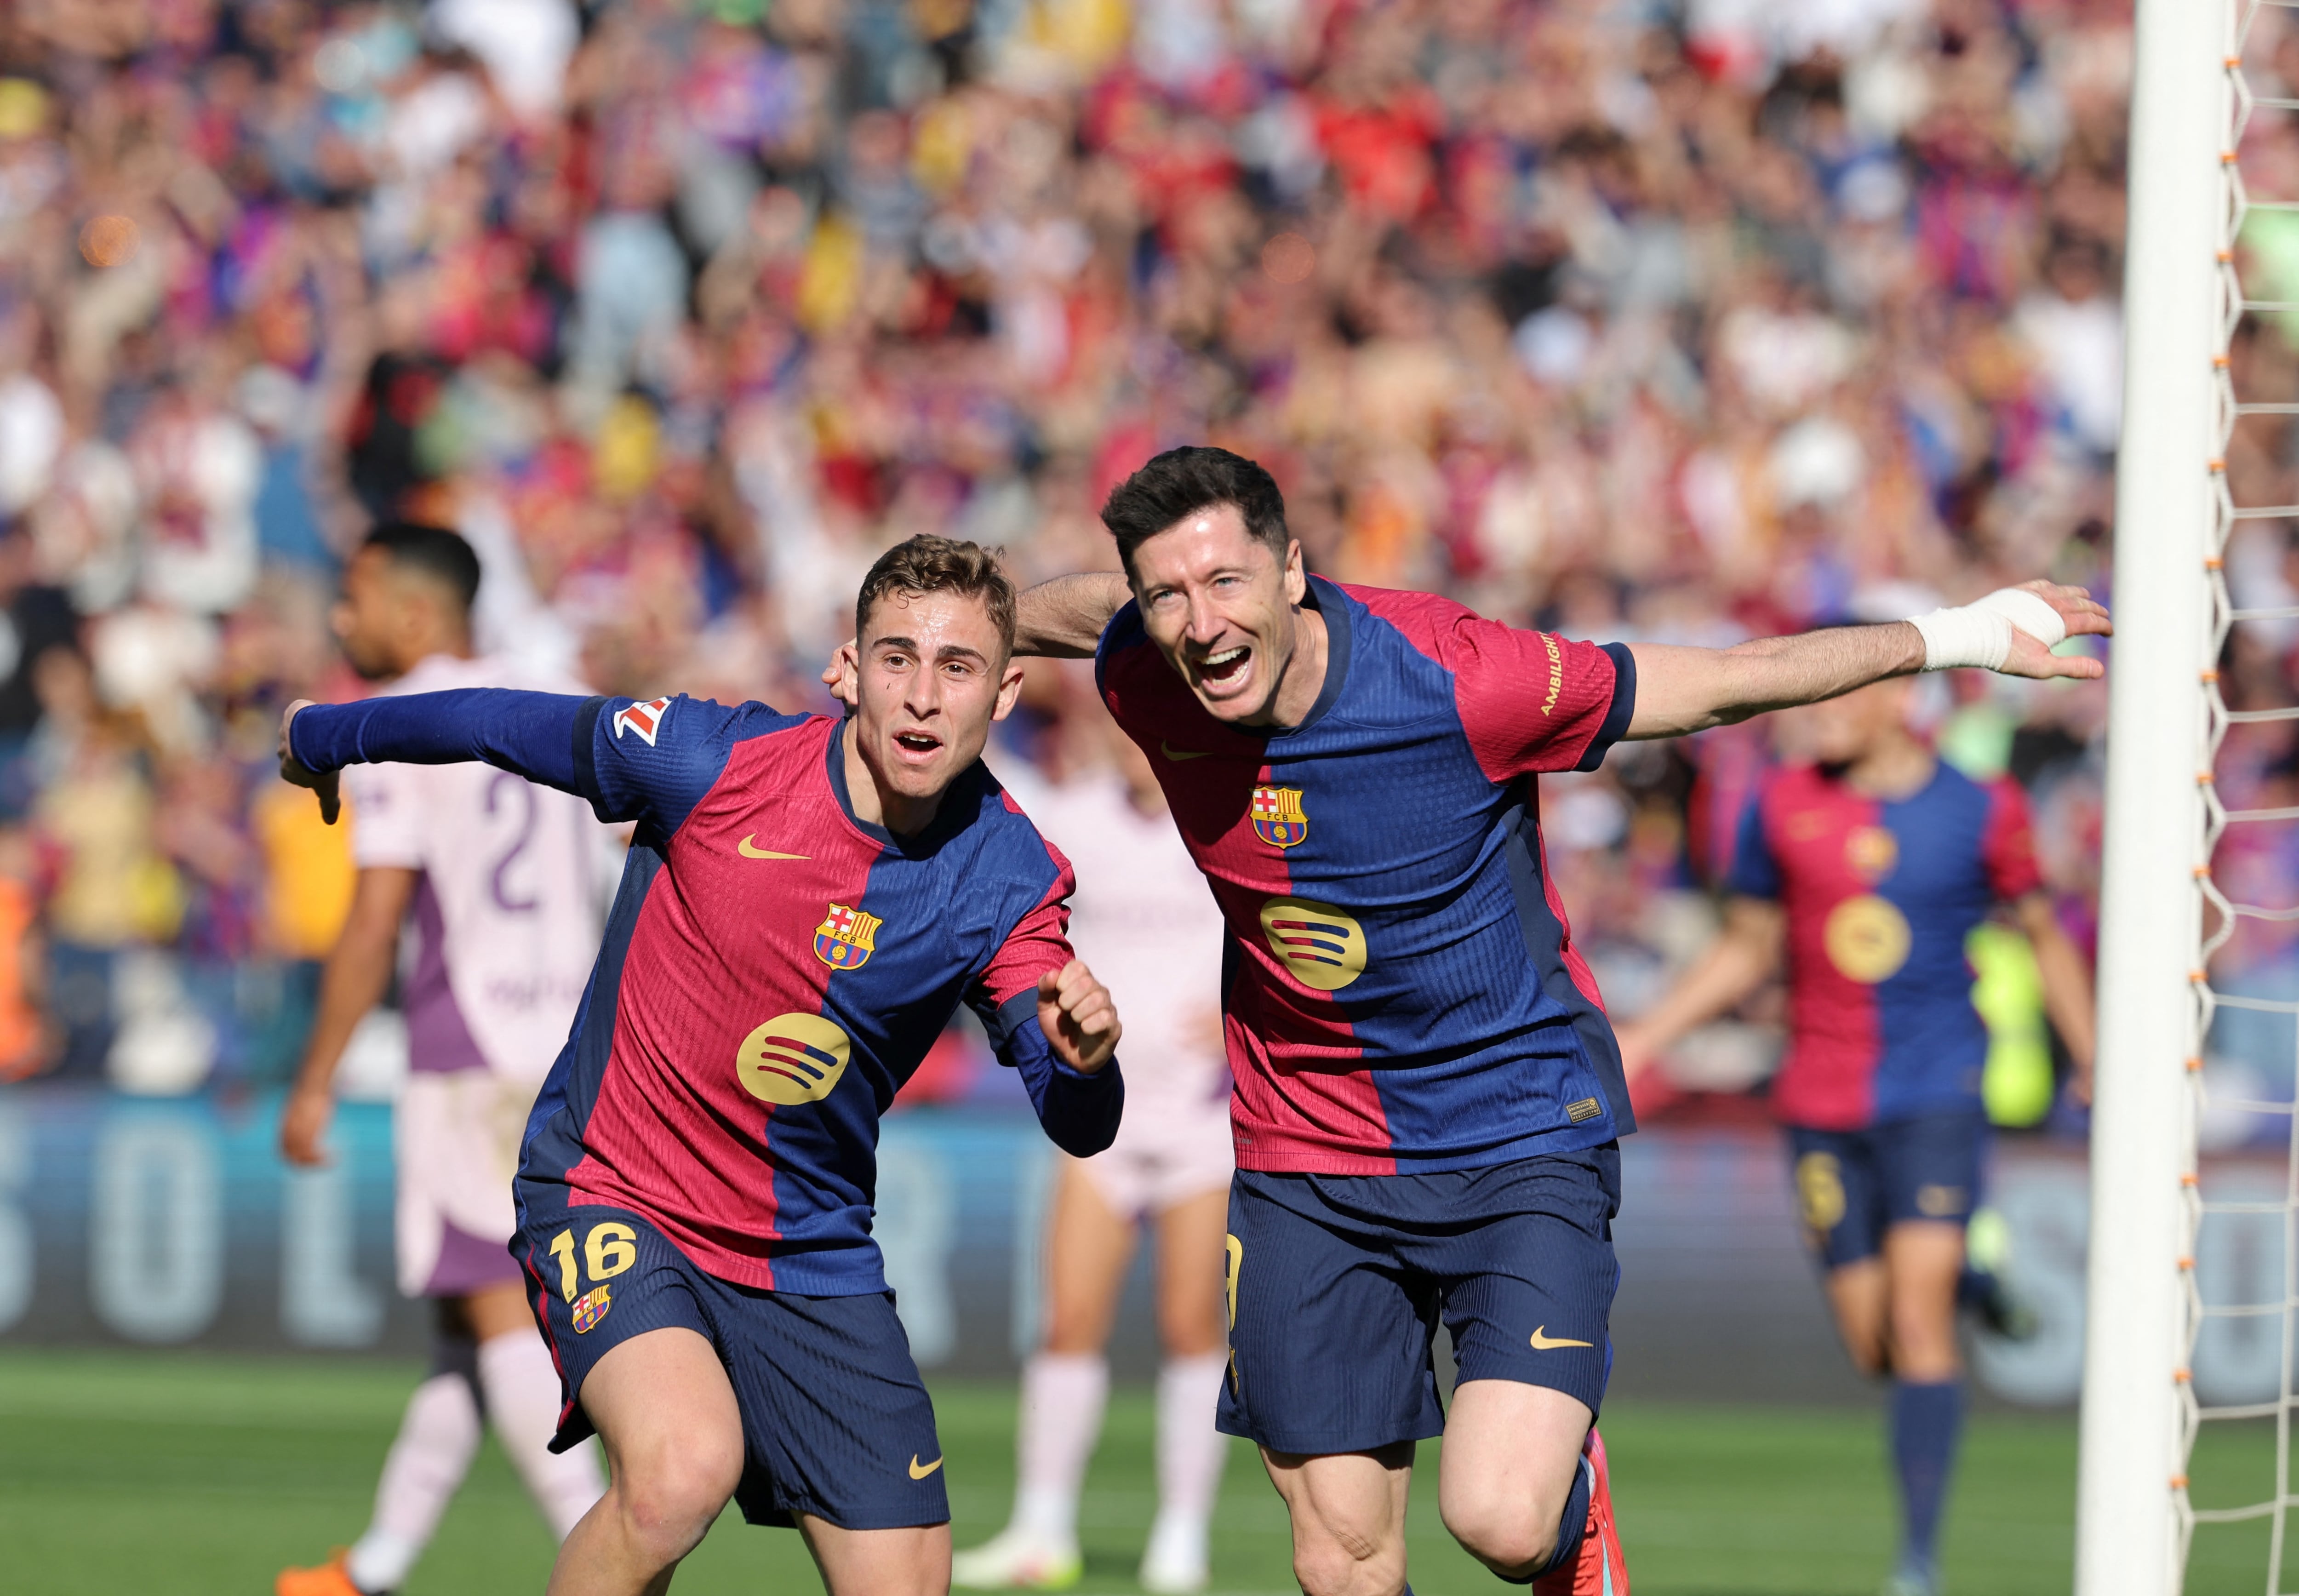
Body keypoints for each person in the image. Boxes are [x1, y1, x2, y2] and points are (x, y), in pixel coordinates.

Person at [886, 446, 2108, 1596]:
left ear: (1294, 569)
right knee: (1341, 1559)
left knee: (1502, 1517)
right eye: (1169, 595)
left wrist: (1962, 633)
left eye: (1227, 582)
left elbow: (1728, 681)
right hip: (1306, 1154)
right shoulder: (1146, 658)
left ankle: (1579, 1506)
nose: (1202, 623)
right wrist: (947, 637)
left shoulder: (1464, 677)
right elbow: (1072, 610)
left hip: (1514, 1130)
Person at [278, 534, 1126, 1596]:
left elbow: (1080, 1118)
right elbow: (497, 721)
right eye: (896, 657)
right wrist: (324, 733)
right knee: (680, 1471)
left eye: (956, 667)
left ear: (1003, 693)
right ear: (846, 669)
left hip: (807, 1247)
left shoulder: (1009, 873)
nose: (921, 695)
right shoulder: (710, 758)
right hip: (614, 1187)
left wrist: (1084, 1063)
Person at [1612, 677, 2096, 1596]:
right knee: (1875, 1344)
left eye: (1838, 691)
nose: (1815, 708)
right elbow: (1747, 945)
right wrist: (1646, 1035)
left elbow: (2042, 929)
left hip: (1938, 1091)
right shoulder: (1781, 802)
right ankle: (1976, 1279)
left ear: (1900, 698)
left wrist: (2091, 1053)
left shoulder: (1980, 806)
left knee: (1917, 1321)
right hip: (1820, 1103)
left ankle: (1917, 1565)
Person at [277, 523, 610, 1596]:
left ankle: (608, 1557)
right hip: (572, 1041)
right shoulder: (564, 695)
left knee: (498, 1306)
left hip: (471, 1046)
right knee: (467, 1320)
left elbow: (375, 919)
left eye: (357, 595)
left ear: (416, 612)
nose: (342, 617)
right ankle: (372, 1567)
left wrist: (316, 1078)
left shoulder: (396, 724)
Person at [955, 688, 1233, 1594]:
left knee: (1192, 1326)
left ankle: (1182, 1534)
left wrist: (1241, 1020)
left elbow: (1287, 937)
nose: (1133, 746)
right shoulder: (1073, 820)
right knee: (1067, 1321)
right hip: (1101, 1117)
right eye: (1121, 730)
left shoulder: (1226, 823)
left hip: (1203, 1121)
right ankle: (1042, 1529)